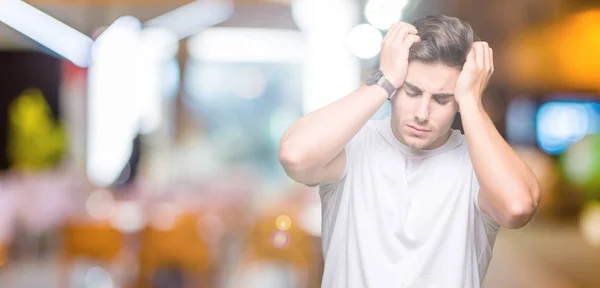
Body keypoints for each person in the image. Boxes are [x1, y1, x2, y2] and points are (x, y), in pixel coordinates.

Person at [278, 14, 540, 287]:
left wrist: (472, 100)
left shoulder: (479, 165)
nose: (422, 113)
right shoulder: (353, 145)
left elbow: (517, 207)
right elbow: (295, 156)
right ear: (395, 87)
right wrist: (384, 79)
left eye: (441, 99)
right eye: (412, 92)